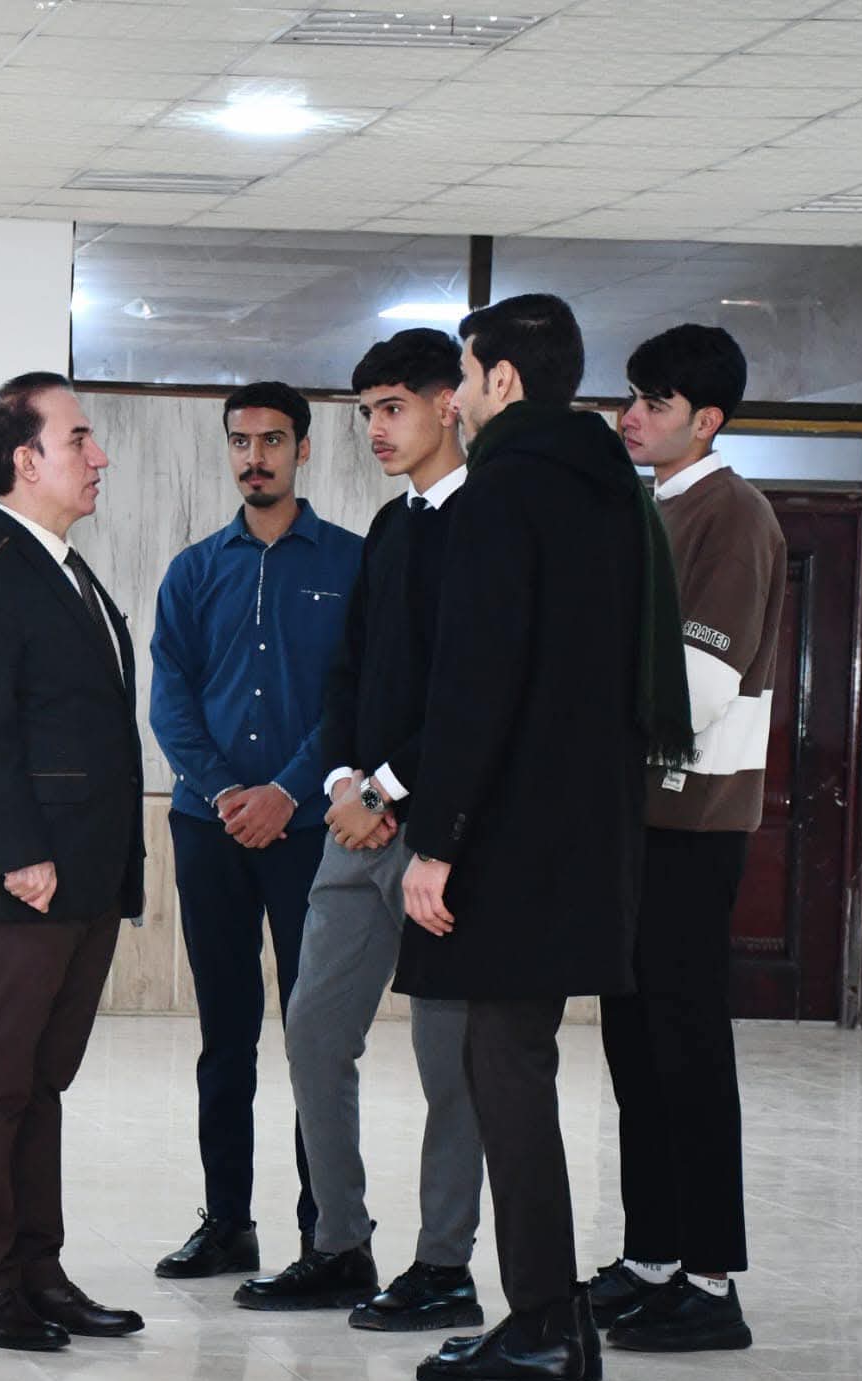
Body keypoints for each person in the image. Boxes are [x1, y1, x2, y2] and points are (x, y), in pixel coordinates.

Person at [396, 293, 693, 1381]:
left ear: (504, 381)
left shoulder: (504, 492)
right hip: (591, 829)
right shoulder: (612, 489)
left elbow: (476, 682)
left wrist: (437, 842)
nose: (457, 402)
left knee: (503, 1067)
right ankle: (558, 1317)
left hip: (511, 835)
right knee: (518, 1060)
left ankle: (539, 1325)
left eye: (466, 378)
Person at [234, 329, 484, 1327]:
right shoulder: (391, 526)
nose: (376, 429)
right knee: (312, 1029)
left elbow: (471, 692)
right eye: (367, 412)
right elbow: (352, 672)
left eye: (393, 408)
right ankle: (339, 1244)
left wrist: (384, 791)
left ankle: (444, 1266)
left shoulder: (488, 525)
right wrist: (344, 778)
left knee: (447, 1063)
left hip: (441, 837)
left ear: (448, 405)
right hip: (354, 824)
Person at [0, 371, 145, 1352]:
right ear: (27, 459)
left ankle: (35, 1271)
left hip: (84, 879)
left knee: (40, 1083)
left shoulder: (69, 571)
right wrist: (19, 854)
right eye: (80, 439)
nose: (99, 457)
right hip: (16, 880)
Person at [592, 325, 786, 1354]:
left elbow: (696, 688)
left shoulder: (733, 516)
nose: (631, 417)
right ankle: (652, 1258)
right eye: (630, 397)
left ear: (706, 420)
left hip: (694, 823)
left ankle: (710, 1282)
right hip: (634, 822)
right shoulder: (648, 508)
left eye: (654, 403)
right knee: (635, 1048)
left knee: (687, 1049)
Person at [149, 382, 364, 1280]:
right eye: (240, 442)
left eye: (272, 440)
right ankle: (227, 1222)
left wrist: (284, 790)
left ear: (302, 449)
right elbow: (170, 700)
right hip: (210, 830)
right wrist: (231, 792)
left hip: (314, 830)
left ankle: (330, 1234)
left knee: (314, 1036)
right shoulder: (193, 570)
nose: (255, 457)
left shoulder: (352, 564)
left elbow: (355, 699)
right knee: (225, 1032)